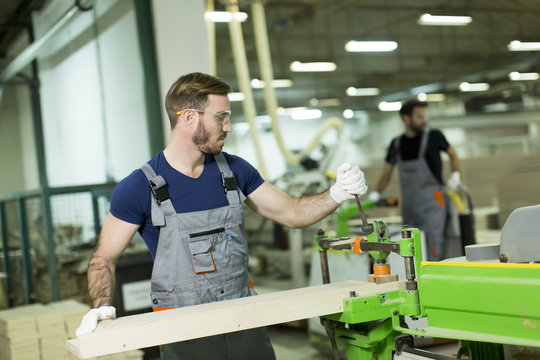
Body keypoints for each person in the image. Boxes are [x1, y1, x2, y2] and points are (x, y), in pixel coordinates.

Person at [75, 72, 368, 359]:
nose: (228, 126)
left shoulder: (235, 171)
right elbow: (103, 260)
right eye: (220, 117)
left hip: (245, 324)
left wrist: (337, 193)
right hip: (183, 332)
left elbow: (292, 212)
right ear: (188, 117)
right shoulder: (137, 188)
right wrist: (102, 307)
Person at [368, 100, 461, 261]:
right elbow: (386, 173)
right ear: (406, 118)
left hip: (434, 205)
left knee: (434, 246)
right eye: (419, 117)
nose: (424, 120)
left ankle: (434, 282)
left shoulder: (434, 137)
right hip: (410, 207)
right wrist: (376, 193)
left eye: (424, 116)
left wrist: (456, 175)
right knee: (411, 247)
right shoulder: (397, 144)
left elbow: (453, 154)